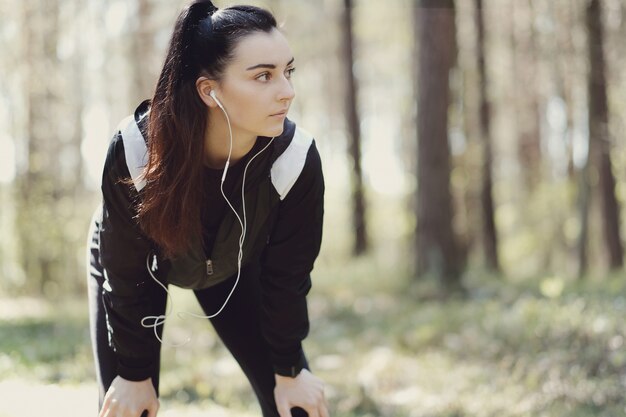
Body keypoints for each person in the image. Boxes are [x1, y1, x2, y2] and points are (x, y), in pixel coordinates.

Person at [86, 1, 328, 416]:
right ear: (208, 90)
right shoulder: (137, 151)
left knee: (297, 406)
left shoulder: (295, 159)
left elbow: (287, 277)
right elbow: (125, 277)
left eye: (288, 72)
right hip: (140, 272)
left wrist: (289, 368)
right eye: (263, 76)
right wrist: (133, 372)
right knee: (129, 404)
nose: (286, 91)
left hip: (237, 267)